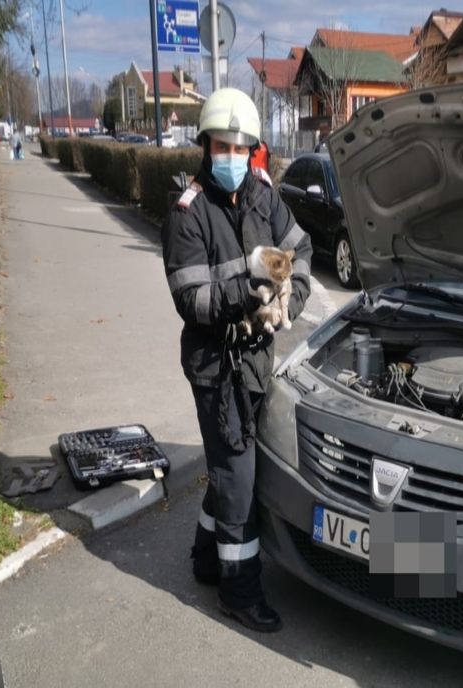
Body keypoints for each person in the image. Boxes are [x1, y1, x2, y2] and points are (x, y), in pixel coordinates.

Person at [162, 88, 312, 633]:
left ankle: (207, 559)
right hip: (215, 365)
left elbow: (303, 251)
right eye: (221, 146)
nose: (231, 156)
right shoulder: (188, 212)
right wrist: (248, 295)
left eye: (240, 148)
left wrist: (286, 301)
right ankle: (240, 591)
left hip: (255, 359)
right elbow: (191, 298)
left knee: (231, 473)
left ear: (254, 151)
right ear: (205, 146)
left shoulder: (264, 197)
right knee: (238, 476)